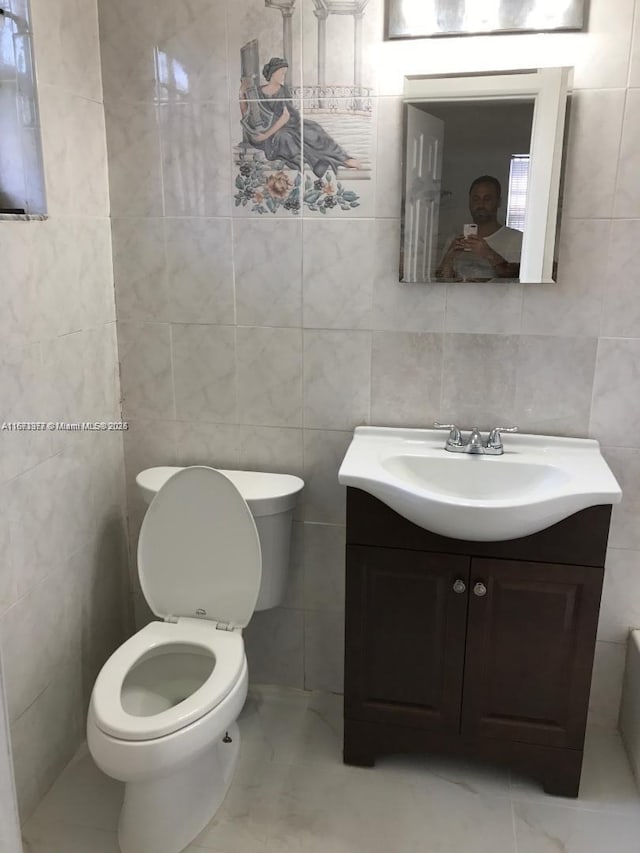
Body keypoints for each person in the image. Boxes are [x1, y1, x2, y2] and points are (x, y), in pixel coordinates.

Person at [239, 57, 361, 178]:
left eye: (284, 74)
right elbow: (247, 114)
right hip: (269, 133)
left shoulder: (283, 90)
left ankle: (343, 158)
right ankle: (316, 163)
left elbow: (286, 116)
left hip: (286, 124)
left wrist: (266, 134)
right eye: (281, 73)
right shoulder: (257, 92)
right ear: (273, 73)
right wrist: (241, 94)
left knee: (313, 129)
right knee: (285, 138)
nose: (283, 77)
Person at [435, 175, 523, 281]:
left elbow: (517, 279)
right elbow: (440, 282)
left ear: (498, 202)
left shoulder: (515, 239)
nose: (480, 204)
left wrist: (489, 254)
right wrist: (449, 258)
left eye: (487, 199)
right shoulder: (456, 238)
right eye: (475, 199)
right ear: (469, 202)